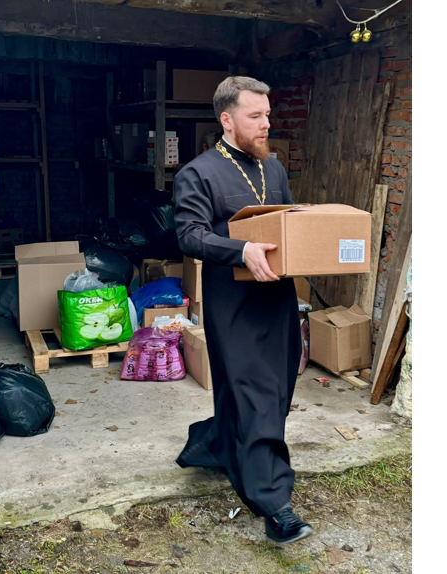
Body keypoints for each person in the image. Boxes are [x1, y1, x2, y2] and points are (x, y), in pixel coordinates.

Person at [172, 76, 313, 545]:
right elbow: (189, 235)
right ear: (227, 120)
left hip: (277, 301)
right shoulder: (198, 173)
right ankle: (276, 505)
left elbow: (289, 223)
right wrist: (241, 249)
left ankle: (215, 445)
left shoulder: (273, 170)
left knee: (273, 391)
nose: (266, 124)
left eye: (267, 115)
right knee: (254, 394)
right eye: (256, 116)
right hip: (234, 307)